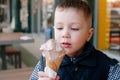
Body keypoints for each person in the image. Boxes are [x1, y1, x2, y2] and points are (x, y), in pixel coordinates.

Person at [29, 0, 120, 80]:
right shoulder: (45, 61)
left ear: (88, 34)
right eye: (59, 28)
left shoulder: (108, 67)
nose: (65, 34)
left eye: (74, 28)